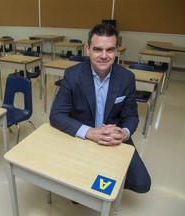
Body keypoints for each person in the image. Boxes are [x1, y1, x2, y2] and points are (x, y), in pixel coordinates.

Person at [50, 23, 151, 193]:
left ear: (116, 50)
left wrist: (123, 133)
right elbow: (56, 115)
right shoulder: (72, 75)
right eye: (97, 49)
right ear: (87, 49)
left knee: (142, 184)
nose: (104, 56)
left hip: (113, 139)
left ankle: (102, 174)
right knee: (76, 188)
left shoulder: (127, 78)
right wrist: (89, 132)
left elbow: (131, 117)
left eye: (110, 50)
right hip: (82, 137)